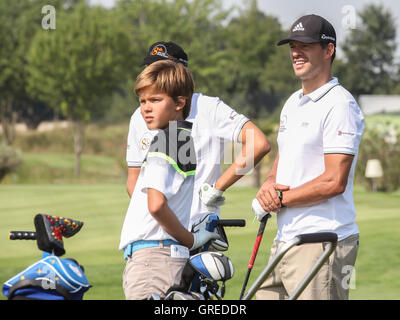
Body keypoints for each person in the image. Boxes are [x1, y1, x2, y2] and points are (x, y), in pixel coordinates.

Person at [253, 14, 365, 300]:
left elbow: (334, 181)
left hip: (323, 243)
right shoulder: (293, 103)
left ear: (328, 50)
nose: (295, 52)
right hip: (285, 242)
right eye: (292, 45)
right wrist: (269, 184)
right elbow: (284, 158)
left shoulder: (340, 104)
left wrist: (280, 200)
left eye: (305, 45)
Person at [126, 41, 271, 238]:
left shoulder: (209, 107)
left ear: (180, 72)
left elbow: (259, 144)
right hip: (158, 236)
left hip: (201, 230)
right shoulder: (139, 115)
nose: (153, 72)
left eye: (162, 67)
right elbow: (133, 179)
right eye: (150, 66)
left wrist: (219, 187)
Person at [119, 60, 220, 300]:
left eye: (155, 100)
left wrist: (191, 239)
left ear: (179, 103)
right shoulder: (180, 137)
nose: (146, 108)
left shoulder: (168, 139)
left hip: (153, 261)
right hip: (161, 258)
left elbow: (156, 204)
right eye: (143, 101)